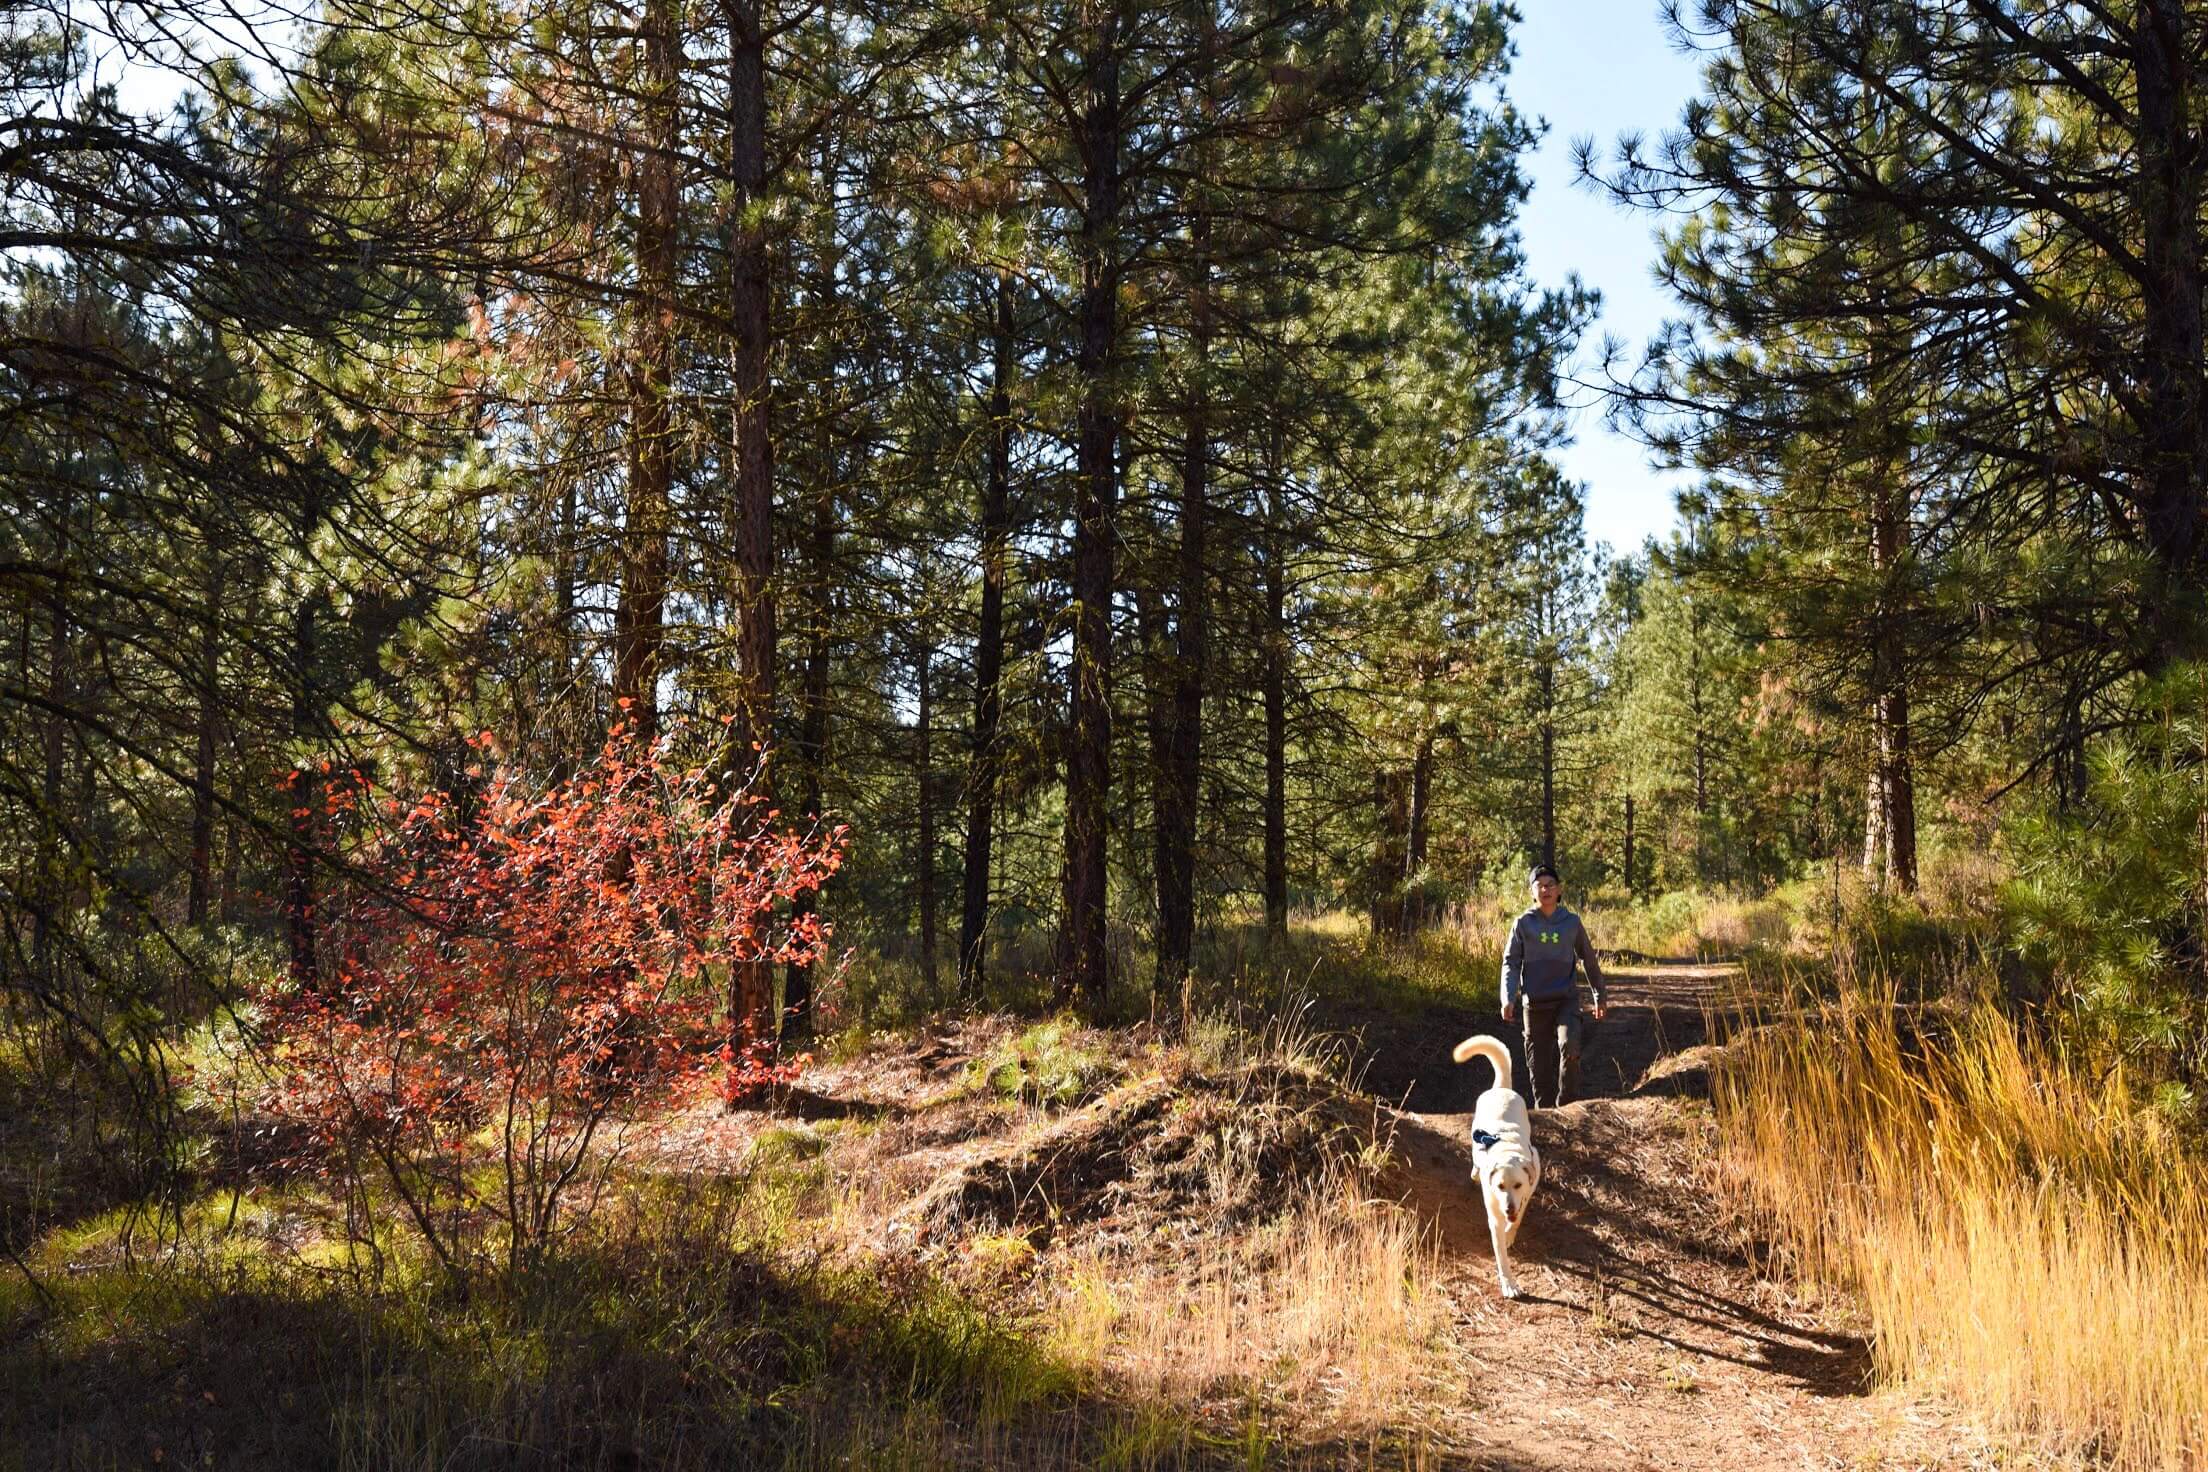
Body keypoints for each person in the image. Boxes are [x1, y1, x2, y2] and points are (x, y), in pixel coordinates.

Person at [1499, 864, 1607, 1108]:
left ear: (1559, 891)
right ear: (1532, 892)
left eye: (1550, 885)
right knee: (1538, 1067)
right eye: (1540, 885)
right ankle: (1545, 1114)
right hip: (1534, 1004)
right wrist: (1508, 997)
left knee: (1570, 1046)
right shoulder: (1523, 924)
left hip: (1565, 1000)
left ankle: (1567, 1106)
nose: (1545, 889)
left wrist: (1599, 995)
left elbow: (1589, 960)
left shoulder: (1571, 923)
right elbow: (1511, 963)